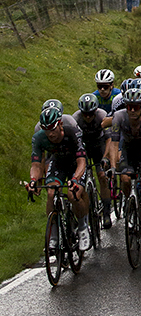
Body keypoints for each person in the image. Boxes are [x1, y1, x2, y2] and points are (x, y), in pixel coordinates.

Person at [28, 107, 90, 252]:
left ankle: (83, 228)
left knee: (73, 194)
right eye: (46, 129)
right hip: (59, 162)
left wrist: (75, 179)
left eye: (53, 128)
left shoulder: (72, 130)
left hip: (76, 162)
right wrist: (33, 180)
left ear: (60, 124)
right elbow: (36, 165)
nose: (50, 133)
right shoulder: (39, 137)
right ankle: (54, 235)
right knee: (51, 193)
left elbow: (82, 161)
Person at [110, 88, 141, 244]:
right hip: (129, 151)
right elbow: (114, 143)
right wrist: (112, 167)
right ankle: (128, 201)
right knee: (125, 178)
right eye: (129, 106)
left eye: (136, 106)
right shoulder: (118, 116)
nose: (132, 110)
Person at [72, 93, 111, 228]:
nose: (88, 117)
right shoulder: (75, 119)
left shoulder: (102, 115)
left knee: (102, 176)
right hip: (83, 147)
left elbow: (109, 139)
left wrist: (106, 157)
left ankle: (106, 212)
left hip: (99, 145)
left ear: (95, 111)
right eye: (85, 114)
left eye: (90, 114)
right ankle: (86, 216)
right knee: (81, 182)